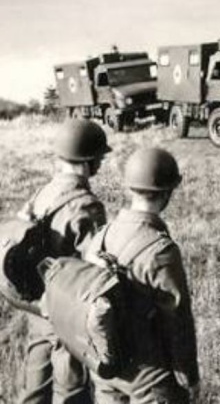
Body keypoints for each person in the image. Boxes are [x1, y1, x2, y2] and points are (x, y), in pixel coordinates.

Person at [82, 148, 199, 403]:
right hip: (149, 377)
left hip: (107, 369)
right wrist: (190, 377)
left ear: (130, 188)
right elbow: (178, 321)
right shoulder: (162, 251)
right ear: (167, 193)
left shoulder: (102, 235)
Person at [17, 120, 110, 404]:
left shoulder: (41, 193)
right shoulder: (86, 206)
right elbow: (96, 272)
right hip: (65, 313)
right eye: (100, 158)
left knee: (34, 392)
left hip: (37, 309)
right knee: (72, 393)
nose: (101, 163)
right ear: (89, 160)